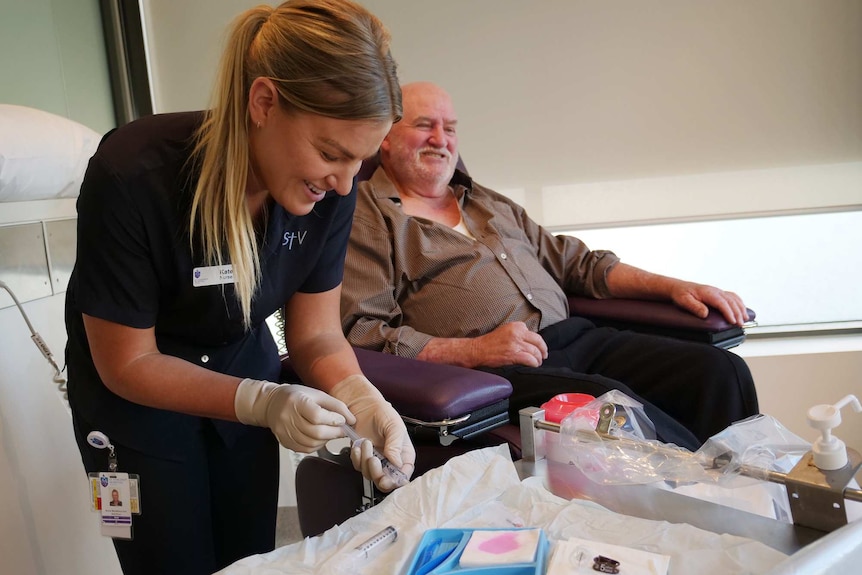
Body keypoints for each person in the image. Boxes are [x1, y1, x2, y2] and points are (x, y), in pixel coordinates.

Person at [65, 2, 414, 573]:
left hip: (242, 373)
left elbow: (316, 335)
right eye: (330, 153)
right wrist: (263, 400)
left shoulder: (335, 190)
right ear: (263, 103)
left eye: (361, 161)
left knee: (249, 556)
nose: (345, 181)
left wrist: (361, 398)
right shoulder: (133, 174)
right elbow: (127, 363)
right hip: (132, 401)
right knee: (170, 560)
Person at [341, 81, 759, 452]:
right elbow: (362, 330)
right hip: (499, 369)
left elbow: (578, 265)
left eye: (450, 128)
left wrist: (671, 286)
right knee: (609, 404)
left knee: (720, 372)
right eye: (424, 125)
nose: (441, 139)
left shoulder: (488, 203)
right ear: (387, 138)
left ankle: (750, 492)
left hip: (579, 339)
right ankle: (708, 490)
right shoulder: (367, 217)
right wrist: (473, 350)